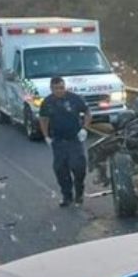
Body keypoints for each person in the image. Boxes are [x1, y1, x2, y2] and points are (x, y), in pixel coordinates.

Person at [38, 77, 91, 207]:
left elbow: (88, 112)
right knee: (61, 170)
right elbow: (43, 119)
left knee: (78, 168)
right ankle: (67, 196)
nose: (60, 91)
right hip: (58, 141)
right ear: (51, 89)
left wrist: (85, 128)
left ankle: (79, 194)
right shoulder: (47, 102)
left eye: (62, 88)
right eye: (56, 88)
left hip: (74, 139)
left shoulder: (74, 99)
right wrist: (46, 136)